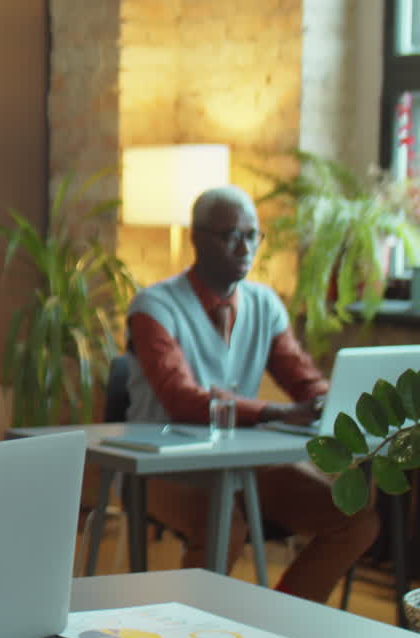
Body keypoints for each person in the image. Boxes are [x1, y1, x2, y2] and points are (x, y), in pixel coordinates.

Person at [126, 185, 379, 603]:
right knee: (226, 523)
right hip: (159, 466)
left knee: (356, 520)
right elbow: (181, 399)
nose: (245, 247)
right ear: (196, 238)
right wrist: (275, 412)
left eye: (252, 235)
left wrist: (330, 400)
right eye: (230, 235)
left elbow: (301, 376)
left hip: (241, 463)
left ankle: (282, 616)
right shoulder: (154, 306)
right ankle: (183, 635)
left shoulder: (264, 303)